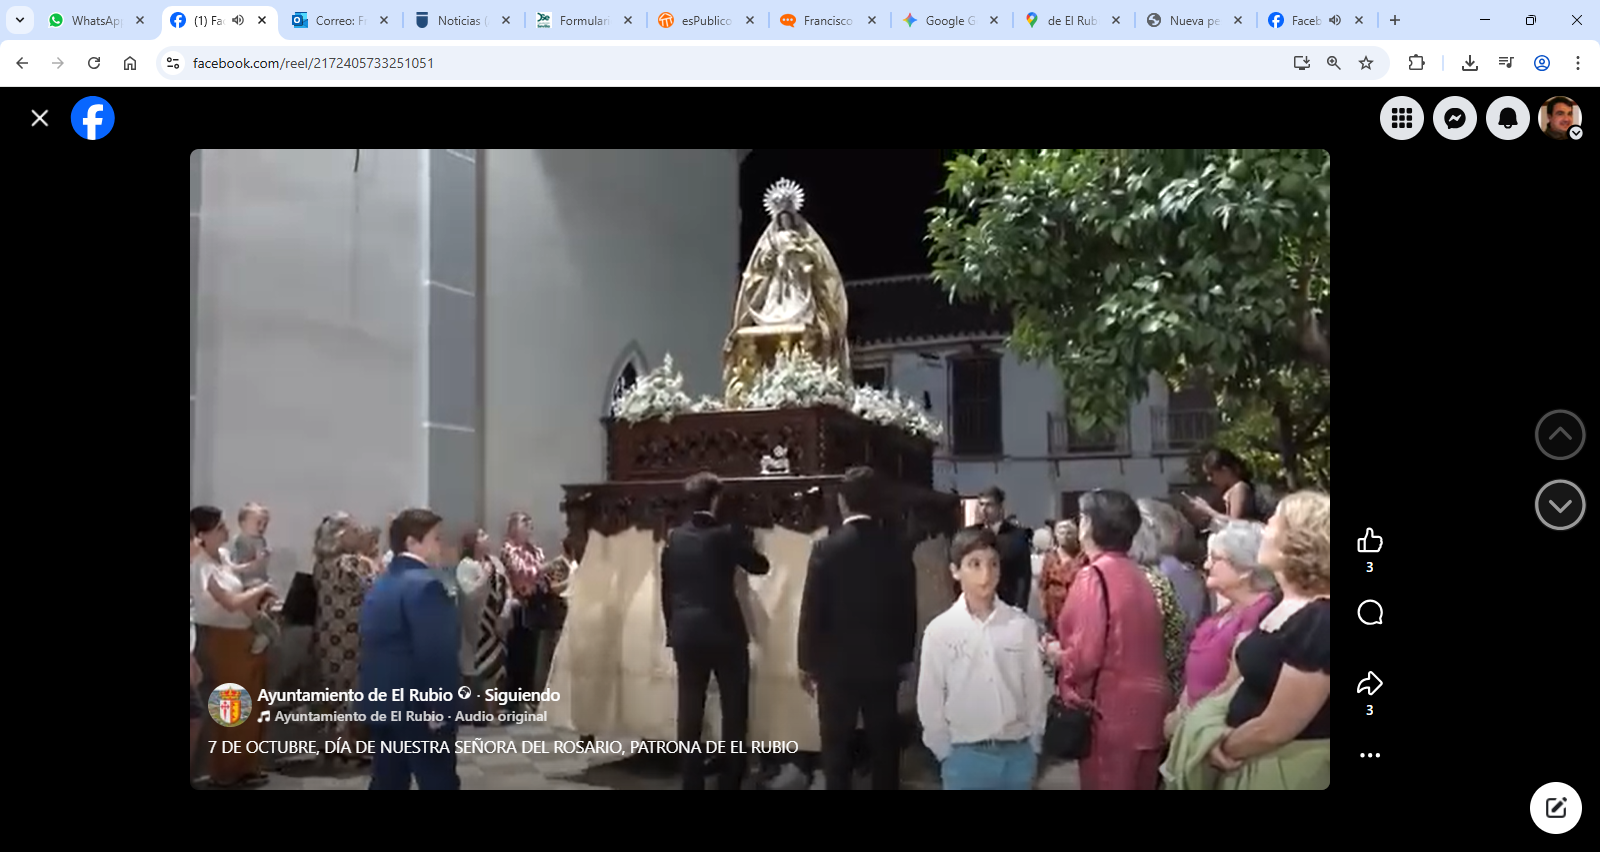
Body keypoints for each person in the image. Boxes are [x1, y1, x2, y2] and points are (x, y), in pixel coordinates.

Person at [1163, 492, 1330, 790]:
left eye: (1274, 522)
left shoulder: (1320, 619)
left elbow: (1278, 726)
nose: (1264, 528)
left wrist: (1221, 747)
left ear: (1300, 540)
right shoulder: (1276, 603)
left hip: (1286, 770)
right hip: (1252, 763)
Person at [1042, 490, 1172, 790]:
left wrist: (1055, 653)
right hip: (1149, 710)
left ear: (1088, 525)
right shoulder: (1139, 575)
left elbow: (1084, 658)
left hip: (1110, 713)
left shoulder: (1094, 576)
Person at [798, 466, 917, 791]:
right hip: (883, 663)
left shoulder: (826, 548)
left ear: (842, 501)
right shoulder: (897, 547)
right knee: (884, 746)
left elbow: (812, 610)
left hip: (835, 666)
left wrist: (806, 662)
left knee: (836, 748)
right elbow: (907, 608)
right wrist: (904, 656)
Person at [660, 471, 771, 790]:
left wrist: (672, 629)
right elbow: (760, 566)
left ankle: (691, 781)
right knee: (734, 708)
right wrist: (742, 537)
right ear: (716, 499)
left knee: (689, 709)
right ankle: (730, 779)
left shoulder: (675, 538)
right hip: (725, 632)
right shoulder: (725, 535)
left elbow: (667, 591)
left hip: (685, 632)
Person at [917, 526, 1048, 790]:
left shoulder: (1020, 625)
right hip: (966, 757)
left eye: (993, 564)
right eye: (974, 564)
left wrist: (1033, 743)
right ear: (955, 571)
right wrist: (944, 751)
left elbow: (1035, 689)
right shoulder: (941, 631)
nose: (985, 574)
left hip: (1017, 754)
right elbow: (930, 698)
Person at [360, 508, 462, 790]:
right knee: (438, 780)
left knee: (388, 781)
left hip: (381, 697)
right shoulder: (427, 586)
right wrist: (441, 706)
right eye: (436, 538)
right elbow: (437, 652)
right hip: (418, 705)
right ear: (412, 543)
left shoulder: (380, 583)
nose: (441, 546)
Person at [1165, 521, 1276, 739]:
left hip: (1216, 728)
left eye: (1216, 559)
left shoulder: (1260, 615)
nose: (1207, 565)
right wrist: (1180, 710)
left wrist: (1189, 720)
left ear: (1245, 569)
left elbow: (1233, 684)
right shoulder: (1227, 610)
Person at [191, 505, 276, 788]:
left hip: (242, 634)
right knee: (232, 707)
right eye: (219, 528)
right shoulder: (201, 566)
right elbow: (229, 602)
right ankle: (225, 771)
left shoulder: (223, 556)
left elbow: (238, 576)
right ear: (202, 535)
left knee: (253, 705)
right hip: (222, 638)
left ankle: (246, 766)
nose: (226, 531)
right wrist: (260, 589)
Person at [457, 527, 511, 723]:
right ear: (472, 542)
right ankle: (474, 713)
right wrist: (484, 577)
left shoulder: (495, 562)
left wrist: (505, 613)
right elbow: (469, 593)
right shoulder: (466, 565)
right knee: (475, 668)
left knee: (496, 668)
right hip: (476, 626)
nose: (486, 537)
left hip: (496, 624)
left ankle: (494, 712)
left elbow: (507, 588)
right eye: (481, 535)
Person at [500, 512, 544, 710]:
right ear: (513, 527)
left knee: (531, 655)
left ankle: (528, 697)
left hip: (535, 605)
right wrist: (541, 570)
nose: (528, 527)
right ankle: (513, 702)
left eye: (530, 523)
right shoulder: (508, 549)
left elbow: (541, 575)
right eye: (524, 523)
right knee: (516, 654)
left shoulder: (535, 550)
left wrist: (540, 572)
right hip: (517, 607)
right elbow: (522, 572)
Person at [226, 503, 281, 655]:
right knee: (253, 608)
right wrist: (255, 563)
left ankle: (265, 633)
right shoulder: (240, 541)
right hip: (246, 583)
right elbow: (235, 566)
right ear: (243, 523)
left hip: (260, 581)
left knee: (271, 603)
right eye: (258, 523)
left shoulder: (261, 541)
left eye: (265, 524)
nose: (262, 527)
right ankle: (267, 631)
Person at [977, 486, 1033, 611]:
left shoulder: (1017, 536)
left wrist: (1020, 606)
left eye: (989, 505)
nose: (984, 509)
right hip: (980, 604)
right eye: (981, 504)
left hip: (1008, 603)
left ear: (1000, 507)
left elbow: (1023, 574)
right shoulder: (974, 534)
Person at [1186, 448, 1264, 527]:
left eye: (1211, 474)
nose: (1209, 479)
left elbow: (1236, 523)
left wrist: (1207, 509)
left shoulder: (1239, 488)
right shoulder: (1227, 490)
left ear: (1225, 471)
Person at [1038, 519, 1086, 636]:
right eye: (1061, 532)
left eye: (1069, 533)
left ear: (1076, 535)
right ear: (1056, 535)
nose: (1065, 536)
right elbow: (1042, 584)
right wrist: (1043, 608)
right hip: (1053, 610)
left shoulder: (1082, 557)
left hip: (1076, 607)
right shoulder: (1050, 557)